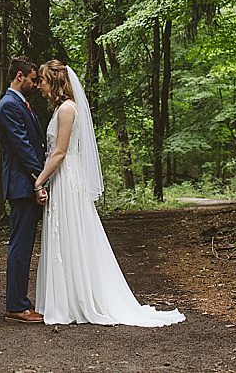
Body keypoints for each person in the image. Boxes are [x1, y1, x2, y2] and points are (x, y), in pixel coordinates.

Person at [33, 60, 186, 327]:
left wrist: (39, 182)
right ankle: (66, 298)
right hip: (62, 178)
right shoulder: (60, 109)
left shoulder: (67, 109)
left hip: (67, 179)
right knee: (65, 236)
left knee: (71, 234)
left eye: (44, 81)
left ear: (55, 81)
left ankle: (79, 299)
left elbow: (59, 152)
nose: (40, 86)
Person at [0, 56, 47, 323]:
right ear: (19, 76)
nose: (36, 84)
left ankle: (19, 302)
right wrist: (39, 178)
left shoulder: (19, 104)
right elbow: (22, 146)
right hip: (21, 185)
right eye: (33, 79)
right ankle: (16, 305)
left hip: (26, 183)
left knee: (25, 244)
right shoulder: (8, 106)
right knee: (20, 244)